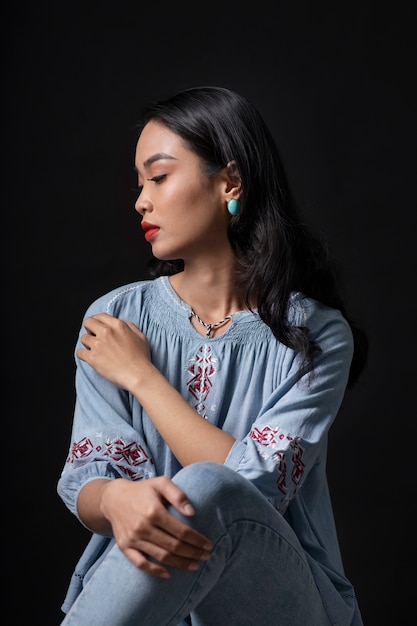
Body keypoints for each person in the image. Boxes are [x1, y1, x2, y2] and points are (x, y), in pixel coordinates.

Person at [57, 85, 368, 625]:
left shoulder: (316, 335)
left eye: (158, 177)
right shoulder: (115, 319)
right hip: (144, 597)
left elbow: (255, 485)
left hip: (277, 599)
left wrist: (144, 378)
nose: (141, 201)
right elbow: (86, 474)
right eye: (139, 184)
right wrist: (113, 502)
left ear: (229, 180)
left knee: (207, 486)